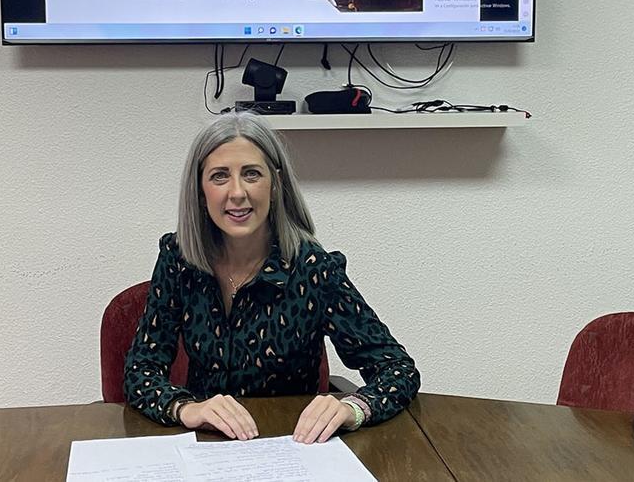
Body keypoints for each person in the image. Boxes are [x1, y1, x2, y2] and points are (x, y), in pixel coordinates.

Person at [124, 111, 419, 444]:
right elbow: (141, 371)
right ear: (199, 191)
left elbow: (397, 369)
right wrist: (185, 408)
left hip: (289, 446)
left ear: (275, 183)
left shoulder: (313, 269)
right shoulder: (179, 260)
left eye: (251, 174)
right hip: (206, 447)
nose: (237, 192)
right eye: (220, 176)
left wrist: (355, 408)